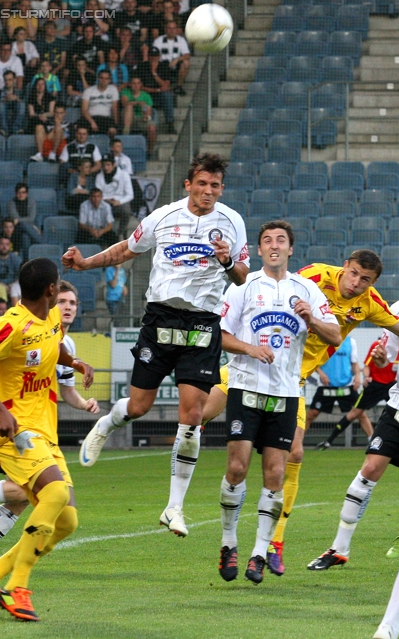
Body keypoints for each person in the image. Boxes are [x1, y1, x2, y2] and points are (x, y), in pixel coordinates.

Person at [199, 250, 399, 576]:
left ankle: (275, 543)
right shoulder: (314, 277)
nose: (355, 284)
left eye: (365, 280)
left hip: (291, 381)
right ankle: (178, 498)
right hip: (253, 367)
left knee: (295, 454)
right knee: (197, 415)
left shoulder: (371, 303)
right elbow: (276, 292)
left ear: (373, 283)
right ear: (344, 268)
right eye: (353, 274)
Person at [62, 153, 250, 537]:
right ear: (188, 184)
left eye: (215, 185)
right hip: (160, 319)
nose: (208, 191)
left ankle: (174, 507)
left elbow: (243, 276)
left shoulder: (232, 222)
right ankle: (109, 421)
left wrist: (229, 261)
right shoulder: (164, 217)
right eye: (202, 183)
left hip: (202, 323)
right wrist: (84, 265)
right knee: (139, 405)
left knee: (192, 414)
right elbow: (126, 250)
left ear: (221, 188)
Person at [218, 220, 341, 584]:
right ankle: (228, 543)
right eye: (267, 241)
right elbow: (219, 335)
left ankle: (259, 552)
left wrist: (312, 318)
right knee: (237, 469)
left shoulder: (307, 290)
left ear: (290, 249)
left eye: (281, 241)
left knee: (275, 475)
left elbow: (334, 334)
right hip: (245, 387)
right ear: (259, 250)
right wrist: (249, 348)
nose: (274, 246)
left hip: (286, 394)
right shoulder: (243, 286)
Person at [307, 244, 399, 576]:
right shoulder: (398, 308)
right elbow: (388, 356)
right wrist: (380, 359)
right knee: (367, 472)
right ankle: (339, 549)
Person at [0, 261, 94, 621]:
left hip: (45, 429)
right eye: (58, 288)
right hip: (12, 429)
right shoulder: (10, 325)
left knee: (66, 523)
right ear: (49, 290)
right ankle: (17, 589)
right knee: (55, 495)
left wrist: (74, 362)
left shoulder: (52, 318)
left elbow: (53, 345)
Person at [316, 338, 397, 450]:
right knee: (355, 413)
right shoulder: (377, 346)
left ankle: (392, 442)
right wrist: (366, 377)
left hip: (392, 386)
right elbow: (367, 365)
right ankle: (329, 441)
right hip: (374, 386)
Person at [138, 44, 175, 133]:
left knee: (167, 95)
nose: (153, 58)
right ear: (148, 56)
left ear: (159, 56)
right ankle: (144, 126)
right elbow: (139, 87)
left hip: (159, 96)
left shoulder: (164, 66)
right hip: (146, 95)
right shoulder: (142, 67)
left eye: (155, 56)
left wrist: (154, 73)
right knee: (141, 96)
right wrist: (156, 90)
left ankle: (170, 123)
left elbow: (166, 87)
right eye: (151, 56)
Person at [95, 152, 133, 238]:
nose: (106, 168)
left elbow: (130, 194)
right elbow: (98, 192)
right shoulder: (99, 176)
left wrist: (119, 201)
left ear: (114, 164)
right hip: (105, 201)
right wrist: (105, 199)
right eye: (104, 165)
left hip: (120, 201)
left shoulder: (124, 175)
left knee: (126, 211)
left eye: (108, 165)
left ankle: (120, 233)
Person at [120, 76, 157, 154]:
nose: (136, 85)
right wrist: (138, 102)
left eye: (138, 83)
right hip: (127, 118)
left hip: (140, 119)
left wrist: (145, 111)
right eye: (133, 83)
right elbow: (125, 103)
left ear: (141, 85)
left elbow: (149, 113)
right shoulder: (125, 91)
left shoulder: (146, 96)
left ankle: (150, 151)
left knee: (152, 128)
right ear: (130, 84)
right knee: (129, 107)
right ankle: (126, 133)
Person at [152, 20, 190, 95]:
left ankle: (179, 86)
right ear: (165, 29)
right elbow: (153, 55)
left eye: (174, 28)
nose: (172, 30)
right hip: (162, 65)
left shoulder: (181, 40)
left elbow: (187, 55)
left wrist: (177, 59)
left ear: (176, 29)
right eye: (169, 28)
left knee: (186, 63)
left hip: (175, 64)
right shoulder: (158, 40)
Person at [80, 69, 119, 138]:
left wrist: (115, 124)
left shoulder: (113, 89)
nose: (104, 80)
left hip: (106, 119)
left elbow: (114, 109)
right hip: (91, 118)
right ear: (98, 78)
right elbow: (84, 110)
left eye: (106, 78)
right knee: (80, 130)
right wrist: (92, 122)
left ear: (109, 80)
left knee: (113, 131)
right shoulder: (88, 90)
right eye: (101, 78)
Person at [0, 69, 25, 136]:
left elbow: (24, 103)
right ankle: (4, 130)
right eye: (5, 80)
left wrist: (16, 98)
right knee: (0, 104)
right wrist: (6, 100)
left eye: (10, 80)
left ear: (14, 80)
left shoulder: (21, 92)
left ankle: (16, 129)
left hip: (16, 108)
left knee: (22, 104)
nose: (7, 82)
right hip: (4, 108)